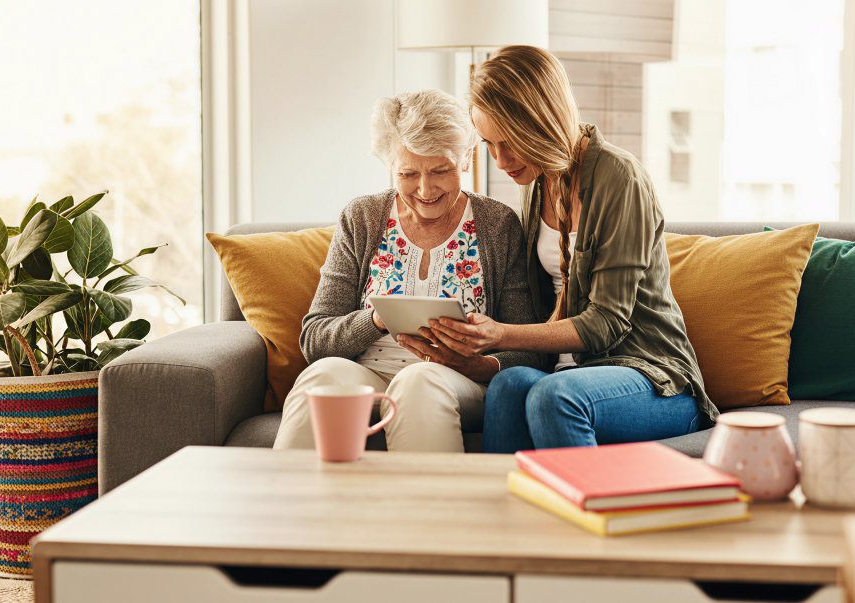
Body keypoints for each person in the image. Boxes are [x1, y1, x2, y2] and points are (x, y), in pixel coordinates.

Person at [422, 46, 719, 453]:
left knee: (554, 396)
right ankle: (502, 498)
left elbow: (607, 323)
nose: (501, 161)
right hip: (568, 374)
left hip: (654, 377)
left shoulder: (621, 178)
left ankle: (583, 496)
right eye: (489, 144)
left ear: (541, 121)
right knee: (507, 385)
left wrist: (500, 334)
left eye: (510, 142)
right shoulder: (537, 182)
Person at [273, 89, 542, 453]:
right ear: (390, 167)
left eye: (441, 170)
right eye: (408, 173)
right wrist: (376, 319)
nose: (425, 189)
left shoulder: (498, 225)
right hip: (369, 373)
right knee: (321, 377)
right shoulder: (362, 217)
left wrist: (477, 364)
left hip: (455, 381)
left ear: (466, 159)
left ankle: (424, 494)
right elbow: (315, 339)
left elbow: (529, 350)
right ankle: (290, 491)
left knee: (418, 381)